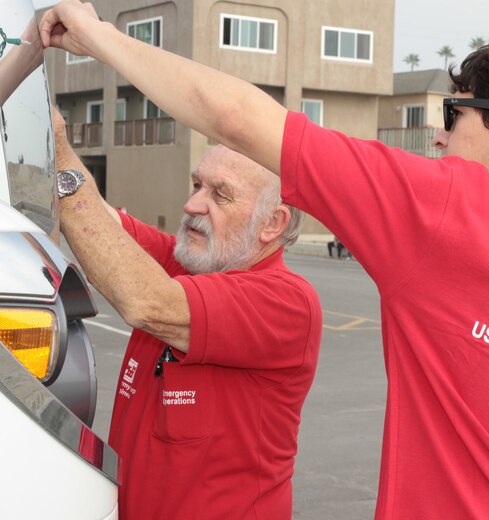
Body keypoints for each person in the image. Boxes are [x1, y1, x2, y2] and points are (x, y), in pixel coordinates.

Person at [40, 4, 489, 518]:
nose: (441, 137)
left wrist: (99, 37)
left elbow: (238, 118)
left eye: (454, 113)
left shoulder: (453, 207)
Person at [51, 107, 322, 519]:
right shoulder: (188, 262)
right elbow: (99, 219)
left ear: (273, 223)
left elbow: (144, 300)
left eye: (220, 194)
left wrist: (58, 152)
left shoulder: (286, 302)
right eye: (196, 184)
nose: (192, 204)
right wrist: (52, 134)